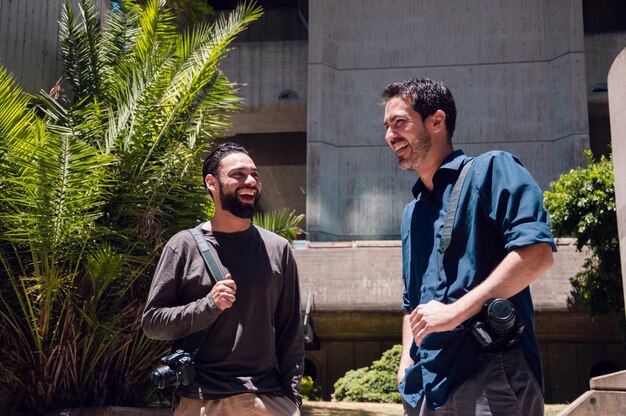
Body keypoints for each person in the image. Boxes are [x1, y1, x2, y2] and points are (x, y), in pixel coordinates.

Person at [381, 78, 556, 416]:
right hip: (426, 387)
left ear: (436, 121)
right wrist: (406, 361)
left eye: (399, 122)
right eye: (387, 127)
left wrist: (454, 312)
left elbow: (537, 254)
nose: (390, 136)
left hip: (490, 373)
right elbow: (411, 301)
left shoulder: (492, 169)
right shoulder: (412, 213)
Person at [142, 142, 304, 416]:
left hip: (266, 399)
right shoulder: (183, 246)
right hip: (202, 401)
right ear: (212, 183)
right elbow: (153, 324)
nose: (251, 181)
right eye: (238, 175)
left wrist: (292, 401)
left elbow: (291, 333)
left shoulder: (278, 249)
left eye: (255, 174)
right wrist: (209, 306)